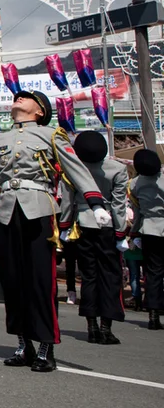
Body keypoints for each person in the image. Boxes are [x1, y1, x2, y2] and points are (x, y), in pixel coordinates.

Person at [0, 90, 109, 373]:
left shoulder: (51, 135)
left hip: (38, 211)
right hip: (7, 212)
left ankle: (45, 345)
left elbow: (76, 169)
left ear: (40, 111)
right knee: (12, 279)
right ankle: (23, 343)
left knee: (41, 280)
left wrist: (95, 201)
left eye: (25, 98)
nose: (18, 99)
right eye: (17, 97)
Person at [59, 131, 128, 345]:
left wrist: (64, 225)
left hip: (83, 223)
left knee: (89, 275)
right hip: (108, 224)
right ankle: (106, 328)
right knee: (110, 276)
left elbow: (67, 201)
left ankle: (91, 326)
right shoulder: (117, 168)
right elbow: (118, 204)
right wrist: (121, 232)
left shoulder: (73, 170)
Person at [128, 149, 164, 331]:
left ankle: (153, 314)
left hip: (149, 229)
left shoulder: (134, 184)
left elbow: (137, 213)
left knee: (153, 273)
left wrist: (133, 234)